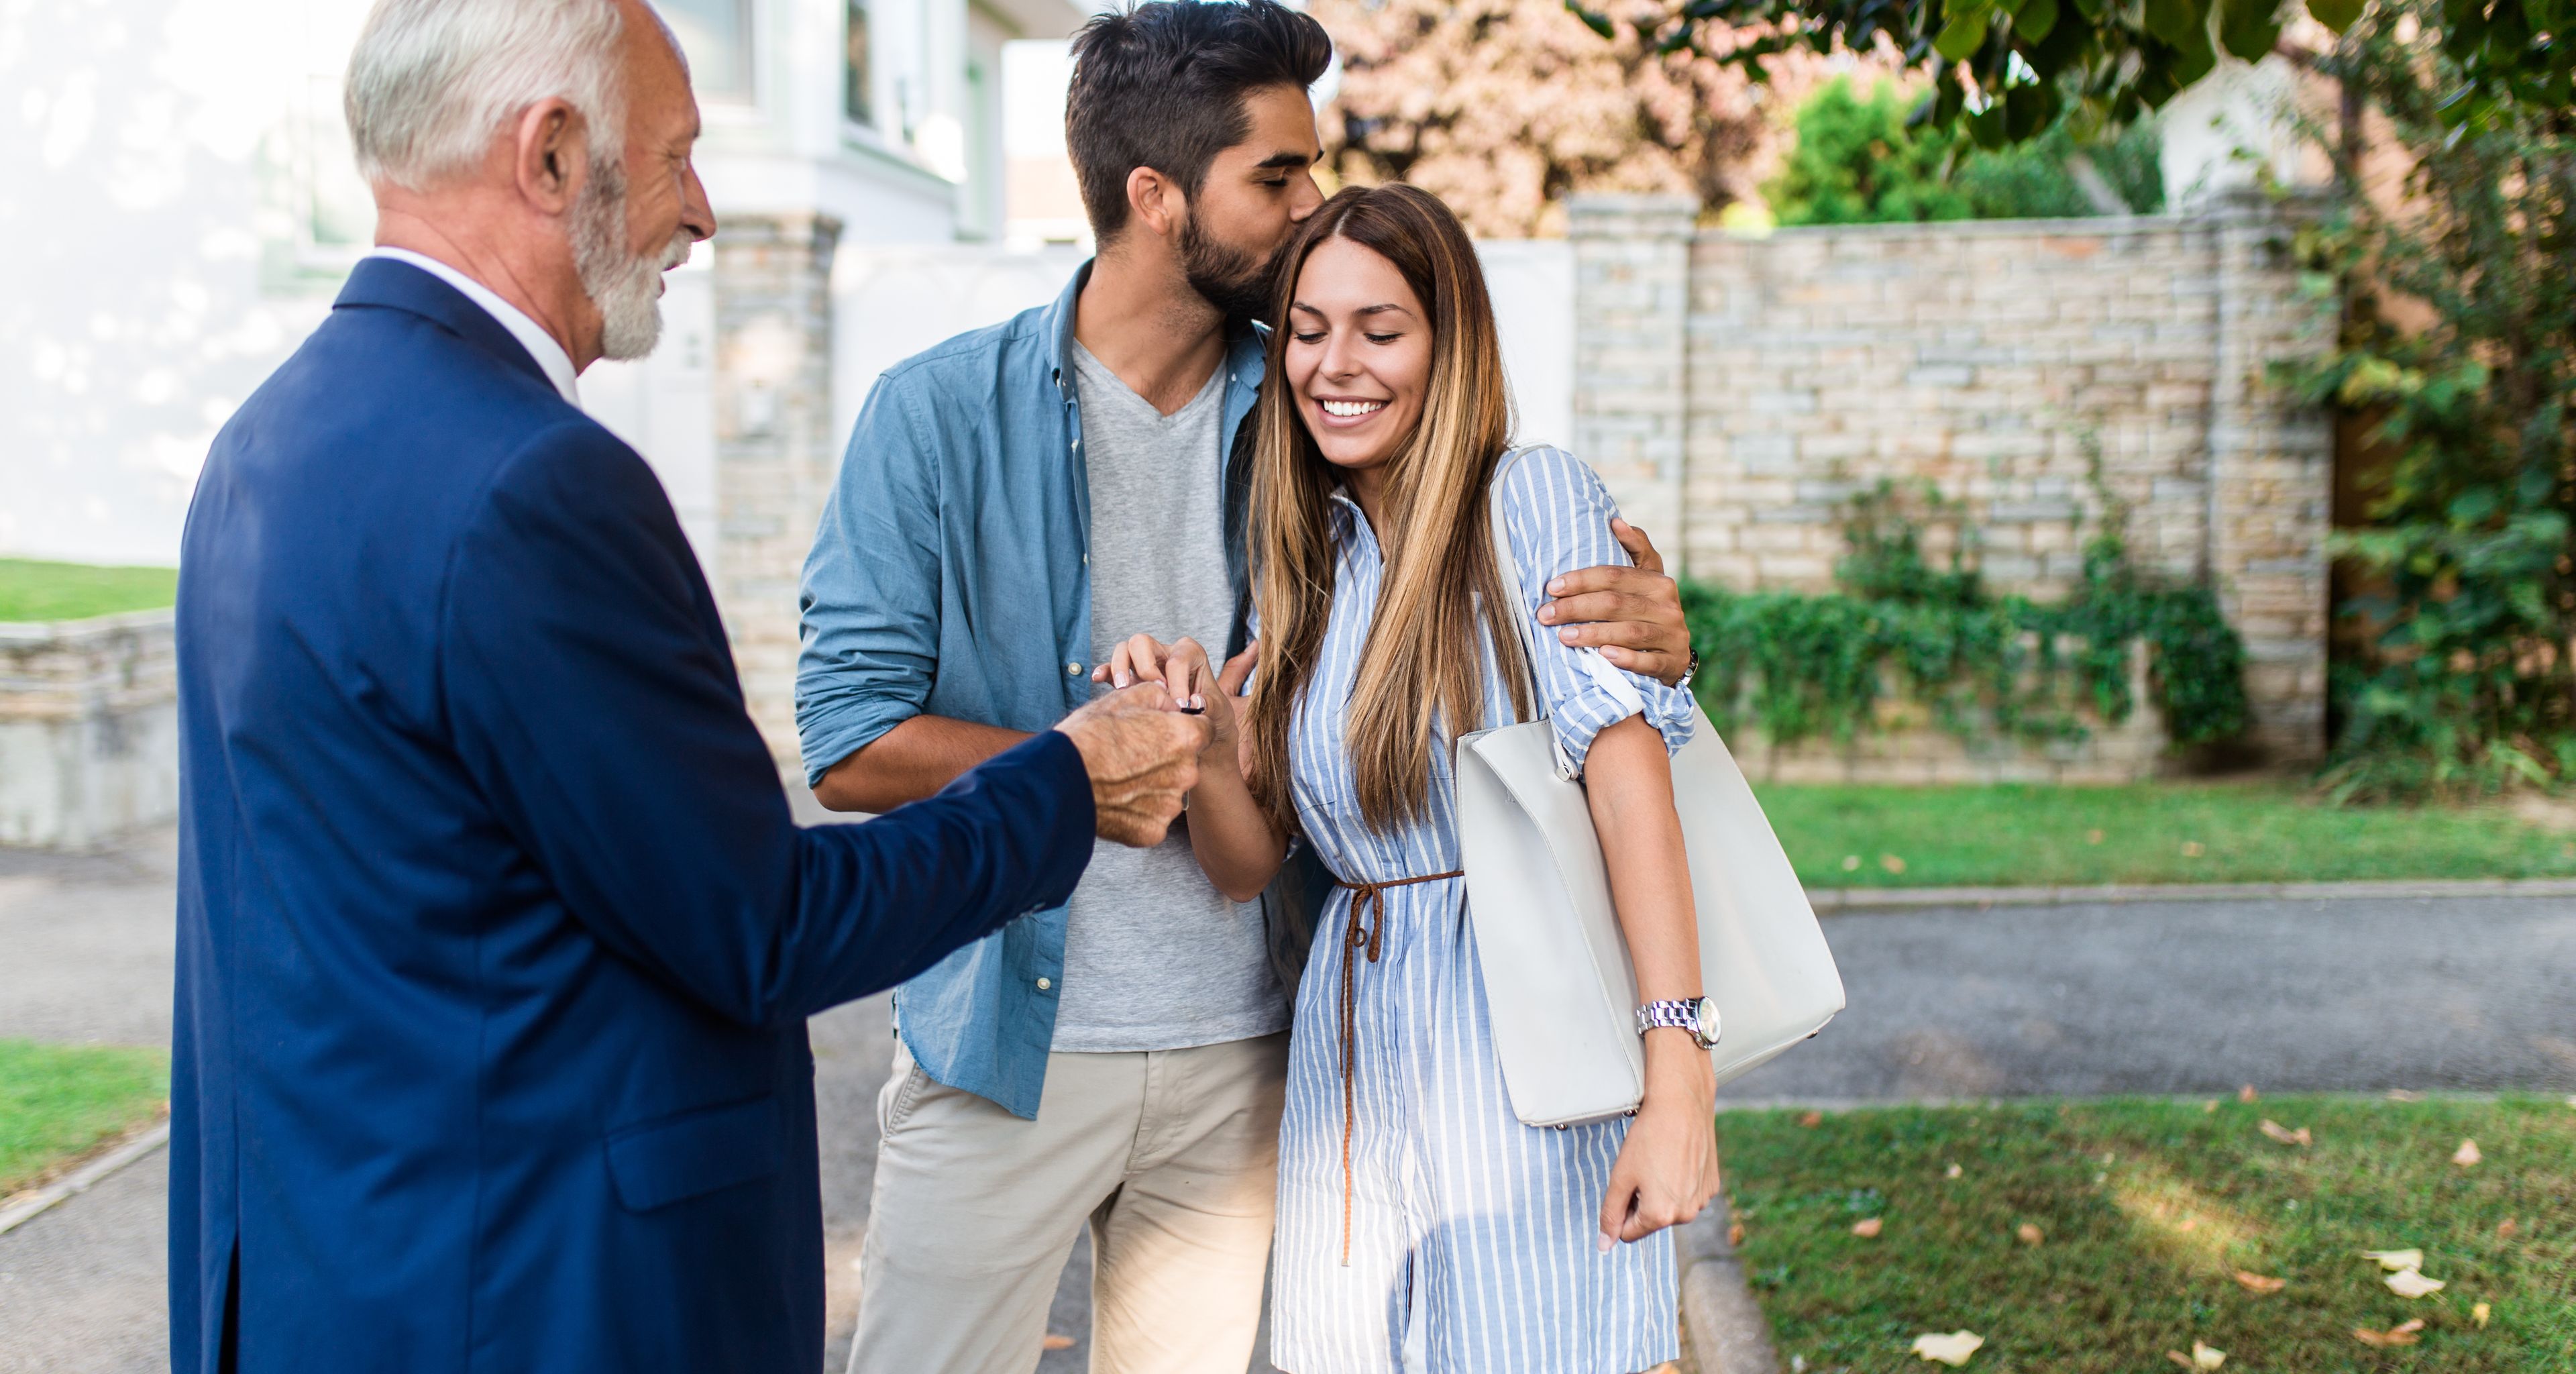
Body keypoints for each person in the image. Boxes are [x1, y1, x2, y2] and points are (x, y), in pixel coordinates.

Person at [166, 2, 1208, 1371]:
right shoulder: (533, 484)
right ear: (550, 156)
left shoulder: (266, 438)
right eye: (678, 155)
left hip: (339, 1275)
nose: (702, 213)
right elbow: (762, 926)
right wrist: (1067, 779)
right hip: (537, 1296)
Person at [796, 5, 1697, 1372]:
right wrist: (1087, 758)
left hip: (1251, 1054)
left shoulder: (1301, 424)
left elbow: (1497, 593)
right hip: (1011, 1042)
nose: (1311, 206)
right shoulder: (940, 414)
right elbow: (848, 736)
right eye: (1277, 178)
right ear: (1158, 199)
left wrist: (1662, 647)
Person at [1107, 183, 1723, 1374]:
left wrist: (1677, 1074)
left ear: (1450, 345)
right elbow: (1249, 866)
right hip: (1355, 1064)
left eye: (1381, 330)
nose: (1336, 364)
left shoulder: (1529, 499)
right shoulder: (1309, 559)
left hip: (1523, 1045)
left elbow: (1626, 767)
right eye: (1308, 329)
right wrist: (1198, 731)